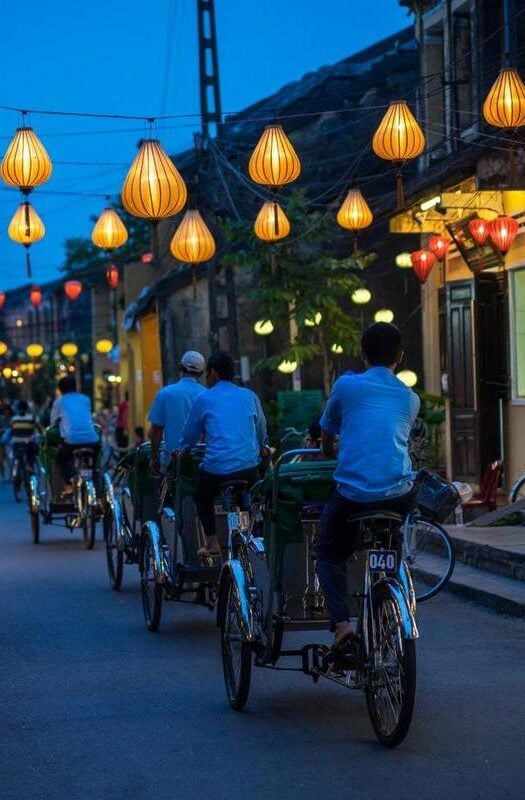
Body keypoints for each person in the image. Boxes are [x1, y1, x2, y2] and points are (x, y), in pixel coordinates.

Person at [315, 323, 420, 650]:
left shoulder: (346, 386)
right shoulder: (410, 398)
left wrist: (330, 450)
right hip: (398, 493)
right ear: (400, 357)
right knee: (394, 533)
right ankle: (392, 582)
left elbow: (327, 432)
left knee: (328, 553)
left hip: (352, 495)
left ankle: (343, 625)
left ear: (362, 355)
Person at [180, 351, 268, 557]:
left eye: (208, 373)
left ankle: (212, 542)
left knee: (202, 496)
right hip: (248, 469)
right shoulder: (249, 396)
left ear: (213, 373)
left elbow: (190, 435)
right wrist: (264, 445)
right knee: (258, 496)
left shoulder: (204, 398)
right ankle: (257, 534)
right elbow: (261, 428)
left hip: (216, 470)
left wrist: (184, 449)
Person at [147, 350, 206, 474]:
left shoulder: (165, 393)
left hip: (172, 459)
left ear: (180, 367)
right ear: (201, 373)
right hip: (202, 459)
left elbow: (156, 431)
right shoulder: (207, 395)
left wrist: (153, 458)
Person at [50, 375, 100, 492]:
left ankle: (68, 485)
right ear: (76, 387)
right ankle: (96, 482)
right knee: (94, 462)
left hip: (72, 441)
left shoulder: (59, 402)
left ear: (60, 389)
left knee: (60, 459)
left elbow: (53, 423)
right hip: (93, 440)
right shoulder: (85, 399)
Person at [10, 400, 38, 469]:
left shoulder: (14, 419)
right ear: (27, 408)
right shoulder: (31, 418)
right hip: (28, 443)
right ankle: (30, 467)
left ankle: (15, 469)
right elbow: (38, 428)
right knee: (33, 452)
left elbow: (12, 429)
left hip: (16, 443)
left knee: (15, 455)